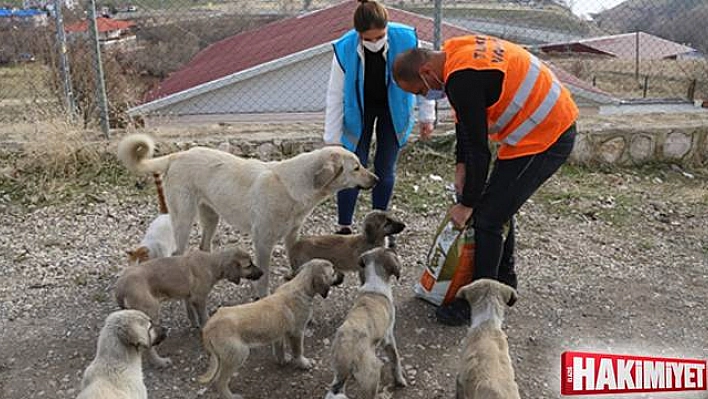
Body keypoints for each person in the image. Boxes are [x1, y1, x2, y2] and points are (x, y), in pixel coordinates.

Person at [393, 35, 578, 326]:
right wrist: (460, 166)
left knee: (488, 216)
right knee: (498, 203)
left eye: (419, 89)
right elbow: (466, 128)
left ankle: (480, 301)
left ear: (426, 72)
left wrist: (467, 204)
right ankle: (504, 280)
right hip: (534, 129)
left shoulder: (461, 79)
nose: (423, 95)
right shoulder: (454, 54)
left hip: (547, 134)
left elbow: (480, 150)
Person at [324, 0, 436, 240]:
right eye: (369, 39)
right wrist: (332, 139)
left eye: (380, 37)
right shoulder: (344, 49)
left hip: (393, 110)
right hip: (359, 110)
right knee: (352, 166)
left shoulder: (407, 39)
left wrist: (428, 116)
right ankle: (344, 227)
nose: (375, 43)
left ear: (388, 29)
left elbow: (426, 79)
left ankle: (380, 228)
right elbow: (335, 95)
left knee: (385, 169)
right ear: (358, 34)